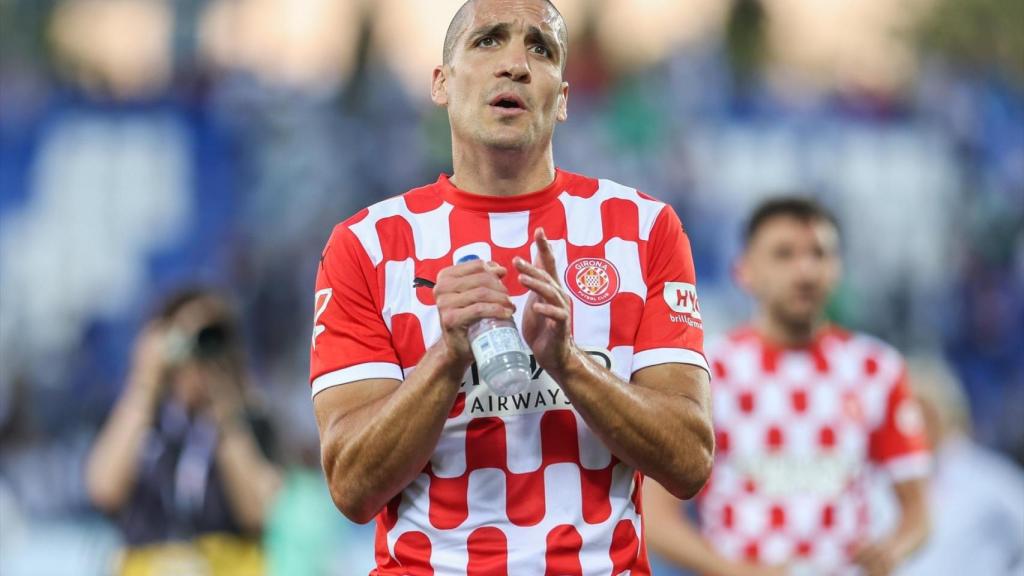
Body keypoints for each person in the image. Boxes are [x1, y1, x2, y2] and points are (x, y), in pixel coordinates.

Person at [309, 0, 714, 573]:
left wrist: (569, 364)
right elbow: (351, 486)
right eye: (488, 41)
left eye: (540, 49)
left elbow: (690, 461)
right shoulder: (368, 245)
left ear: (564, 99)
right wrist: (447, 359)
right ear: (441, 84)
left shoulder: (643, 229)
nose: (516, 65)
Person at [644, 198, 931, 576]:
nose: (806, 270)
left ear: (838, 268)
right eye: (784, 254)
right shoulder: (706, 371)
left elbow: (918, 513)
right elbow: (655, 516)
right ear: (743, 271)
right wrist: (733, 570)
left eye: (820, 254)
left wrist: (892, 550)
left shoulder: (878, 368)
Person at [86, 288, 282, 576]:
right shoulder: (139, 418)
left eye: (212, 339)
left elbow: (260, 512)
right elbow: (103, 489)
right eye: (189, 339)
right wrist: (144, 383)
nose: (200, 354)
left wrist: (225, 414)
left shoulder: (251, 422)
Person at [896, 356, 1024, 576]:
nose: (919, 425)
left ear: (947, 415)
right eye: (912, 414)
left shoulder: (987, 476)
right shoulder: (889, 478)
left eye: (928, 414)